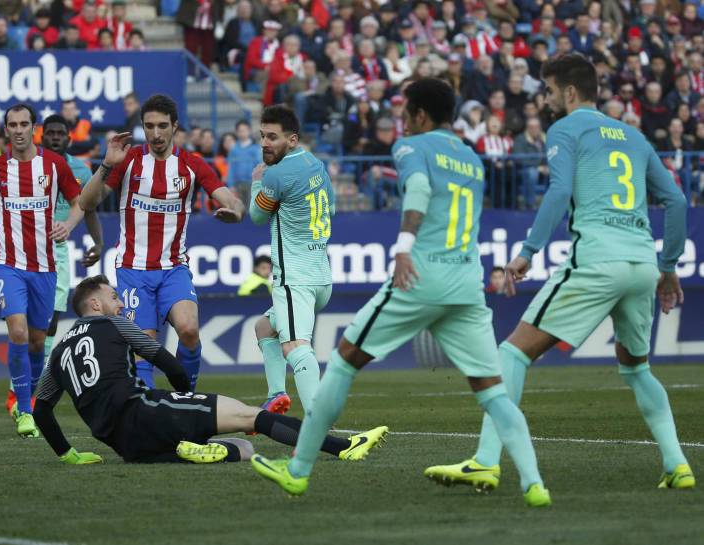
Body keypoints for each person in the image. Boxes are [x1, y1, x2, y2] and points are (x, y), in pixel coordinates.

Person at [251, 78, 550, 507]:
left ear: (421, 115)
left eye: (405, 111)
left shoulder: (412, 147)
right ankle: (534, 484)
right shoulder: (472, 156)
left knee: (341, 362)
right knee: (493, 391)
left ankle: (298, 470)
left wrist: (404, 247)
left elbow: (420, 192)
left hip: (420, 275)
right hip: (466, 281)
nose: (401, 119)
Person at [427, 53, 695, 493]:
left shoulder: (566, 128)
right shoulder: (635, 135)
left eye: (549, 90)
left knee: (512, 354)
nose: (546, 99)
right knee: (636, 368)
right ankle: (677, 464)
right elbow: (678, 203)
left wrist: (528, 250)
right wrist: (668, 268)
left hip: (596, 259)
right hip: (642, 263)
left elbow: (561, 190)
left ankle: (485, 460)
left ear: (569, 92)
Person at [32, 275, 389, 464]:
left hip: (124, 446)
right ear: (95, 304)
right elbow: (167, 362)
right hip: (146, 413)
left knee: (243, 450)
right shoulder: (117, 325)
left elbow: (41, 410)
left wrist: (67, 454)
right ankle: (343, 447)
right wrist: (184, 395)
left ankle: (189, 450)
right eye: (113, 297)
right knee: (254, 417)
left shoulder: (59, 350)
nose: (121, 302)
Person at [78, 94, 246, 391]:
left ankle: (187, 398)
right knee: (145, 347)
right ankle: (147, 410)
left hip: (173, 267)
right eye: (149, 126)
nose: (156, 133)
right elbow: (86, 201)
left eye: (162, 126)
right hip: (133, 268)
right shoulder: (128, 160)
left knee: (190, 330)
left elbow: (231, 199)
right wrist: (106, 164)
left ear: (175, 127)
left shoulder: (192, 164)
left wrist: (236, 212)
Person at [0, 104, 85, 438]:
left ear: (32, 127)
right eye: (12, 125)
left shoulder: (54, 166)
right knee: (18, 333)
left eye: (24, 124)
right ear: (6, 129)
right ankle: (23, 410)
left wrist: (68, 224)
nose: (18, 130)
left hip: (46, 267)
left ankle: (31, 402)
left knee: (38, 342)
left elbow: (79, 201)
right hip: (9, 263)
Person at [248, 105, 333, 415]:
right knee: (263, 328)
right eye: (262, 136)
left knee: (295, 347)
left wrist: (257, 181)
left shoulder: (277, 174)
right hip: (321, 275)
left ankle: (318, 421)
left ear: (292, 139)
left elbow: (257, 216)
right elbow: (331, 210)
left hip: (294, 279)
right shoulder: (316, 164)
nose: (264, 144)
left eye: (272, 137)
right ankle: (276, 395)